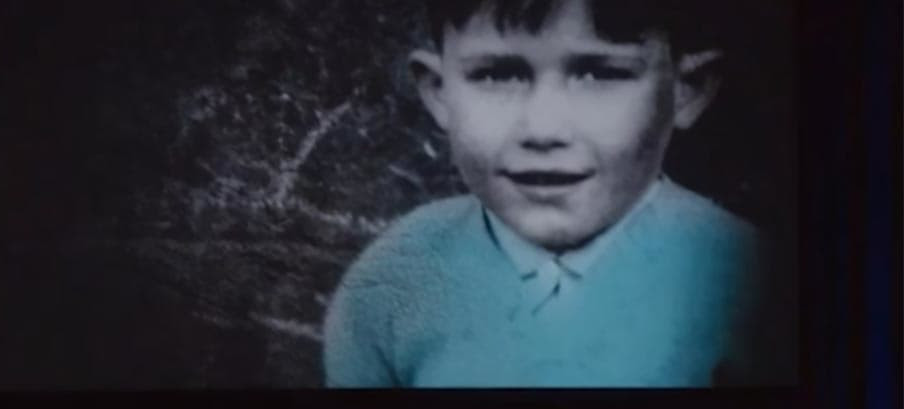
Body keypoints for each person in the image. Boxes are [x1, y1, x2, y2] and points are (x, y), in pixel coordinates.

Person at [323, 0, 793, 388]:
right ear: (439, 92)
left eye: (599, 73)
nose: (544, 130)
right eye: (496, 74)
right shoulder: (392, 281)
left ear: (685, 90)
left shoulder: (752, 281)